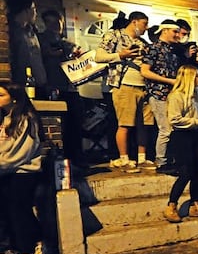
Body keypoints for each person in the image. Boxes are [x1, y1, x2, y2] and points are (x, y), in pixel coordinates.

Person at [95, 11, 156, 172]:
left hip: (144, 86)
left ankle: (142, 158)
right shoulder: (114, 36)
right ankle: (124, 159)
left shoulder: (142, 42)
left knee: (144, 124)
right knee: (125, 123)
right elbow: (98, 56)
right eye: (144, 23)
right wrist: (121, 55)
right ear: (134, 22)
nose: (146, 27)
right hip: (124, 84)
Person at [162, 65, 198, 223]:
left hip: (197, 134)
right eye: (197, 76)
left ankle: (195, 204)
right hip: (182, 137)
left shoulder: (197, 95)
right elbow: (174, 119)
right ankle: (171, 205)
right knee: (186, 172)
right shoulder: (176, 96)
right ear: (189, 78)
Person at [0, 82, 44, 254]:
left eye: (1, 95)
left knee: (20, 212)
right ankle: (36, 244)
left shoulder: (26, 119)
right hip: (10, 171)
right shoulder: (7, 118)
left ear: (15, 97)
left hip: (23, 172)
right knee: (15, 211)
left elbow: (21, 152)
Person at [39, 10, 85, 163]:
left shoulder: (67, 42)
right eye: (49, 22)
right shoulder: (42, 39)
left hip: (71, 87)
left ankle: (77, 158)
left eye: (56, 22)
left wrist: (77, 54)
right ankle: (62, 159)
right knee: (61, 125)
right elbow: (47, 54)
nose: (52, 26)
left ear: (62, 22)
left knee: (75, 124)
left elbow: (79, 57)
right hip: (54, 86)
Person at [141, 21, 183, 170]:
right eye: (175, 31)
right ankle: (161, 161)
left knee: (173, 127)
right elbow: (145, 71)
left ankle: (170, 159)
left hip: (170, 95)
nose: (178, 35)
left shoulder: (172, 52)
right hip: (158, 93)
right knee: (165, 128)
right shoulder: (153, 49)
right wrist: (168, 80)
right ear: (164, 31)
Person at [7, 0, 47, 99]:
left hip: (38, 84)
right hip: (19, 86)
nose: (36, 13)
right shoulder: (10, 31)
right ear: (26, 11)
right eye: (34, 9)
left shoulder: (32, 32)